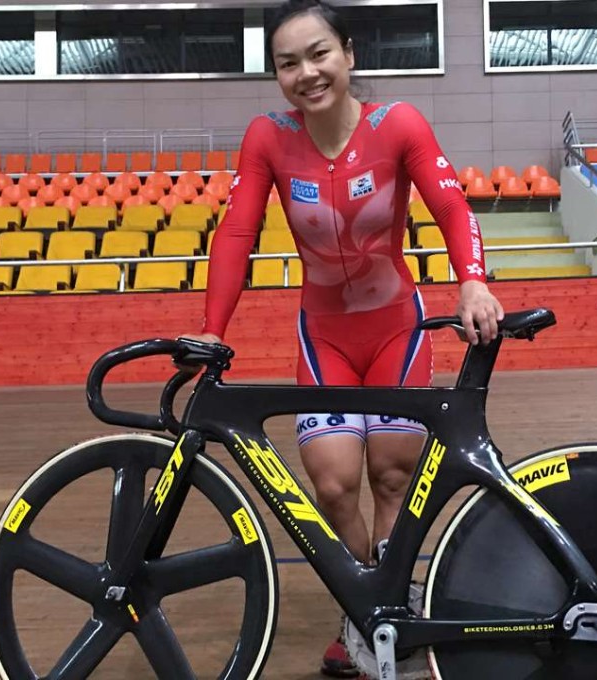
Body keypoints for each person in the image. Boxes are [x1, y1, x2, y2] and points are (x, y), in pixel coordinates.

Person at [182, 0, 504, 676]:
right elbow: (237, 231)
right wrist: (212, 331)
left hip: (397, 330)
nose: (306, 72)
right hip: (323, 333)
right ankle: (364, 605)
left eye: (319, 53)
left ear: (349, 55)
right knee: (332, 487)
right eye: (288, 63)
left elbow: (451, 204)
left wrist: (472, 281)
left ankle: (382, 614)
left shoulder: (398, 124)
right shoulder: (268, 136)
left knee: (391, 476)